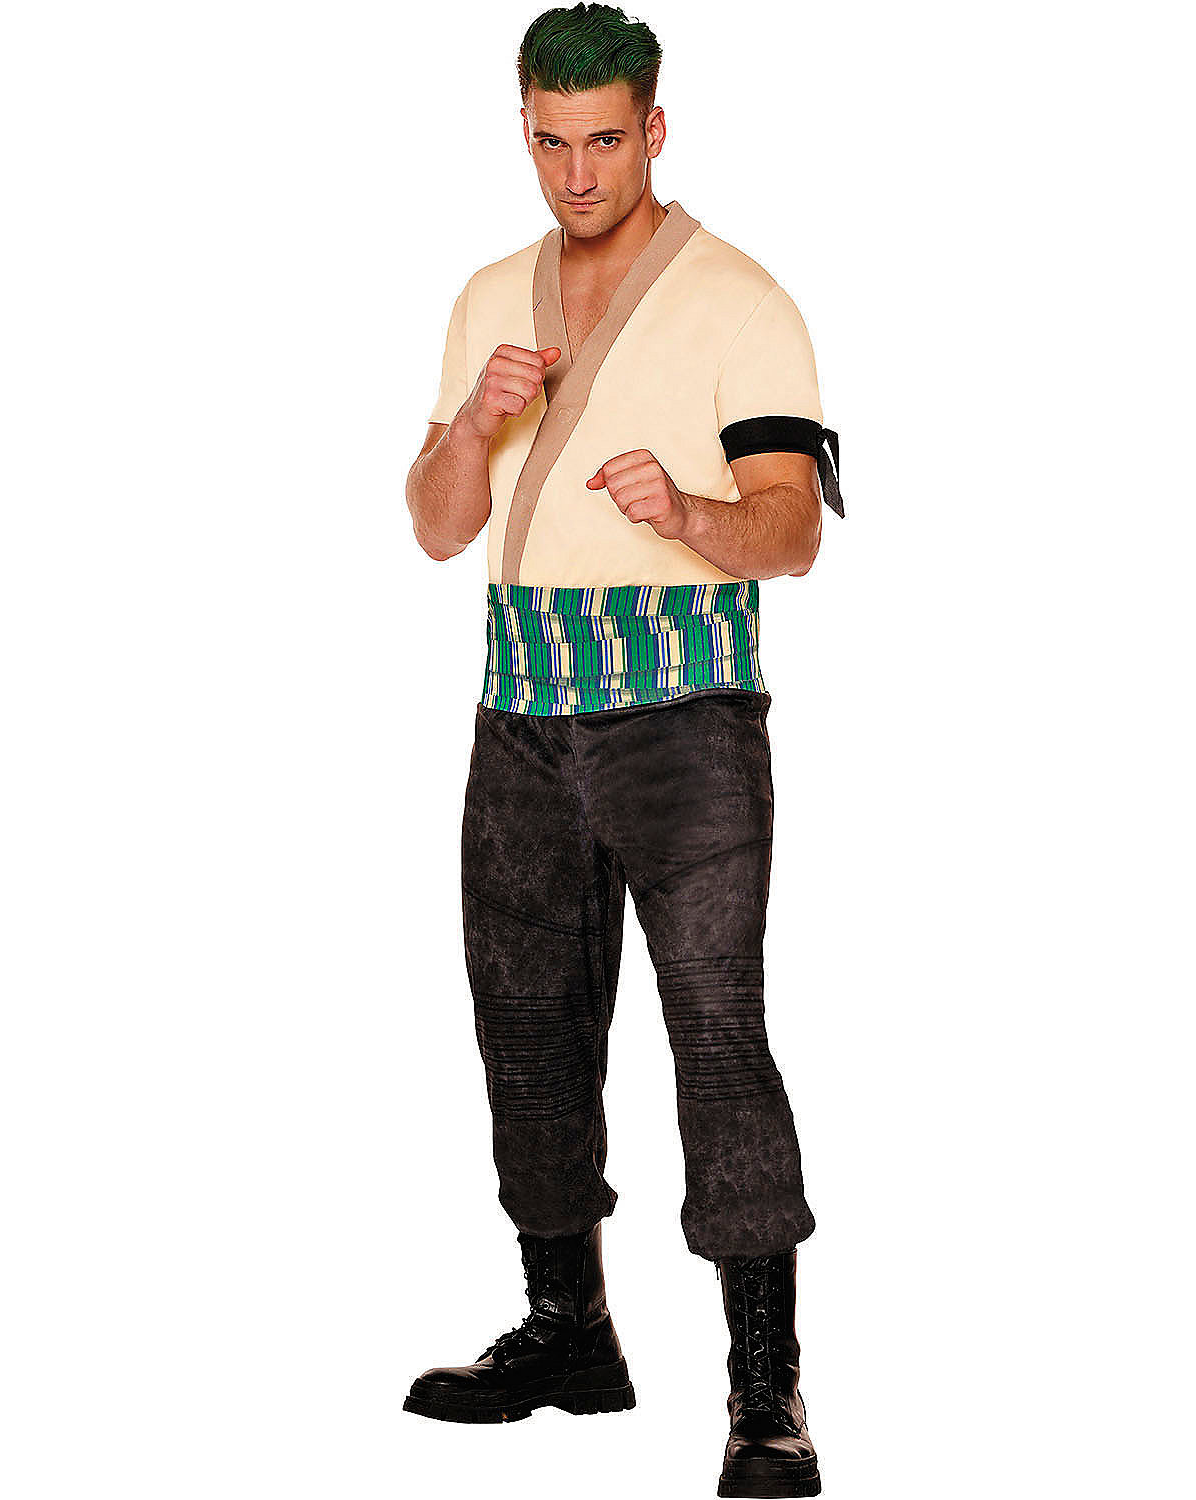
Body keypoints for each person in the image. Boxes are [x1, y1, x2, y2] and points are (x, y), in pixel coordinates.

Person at [401, 7, 844, 1496]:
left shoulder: (742, 300)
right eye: (549, 140)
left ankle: (766, 1393)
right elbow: (440, 527)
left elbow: (791, 534)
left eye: (603, 139)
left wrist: (687, 513)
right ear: (522, 128)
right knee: (525, 1029)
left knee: (716, 1038)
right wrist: (472, 421)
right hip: (522, 707)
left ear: (655, 129)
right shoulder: (487, 296)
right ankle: (567, 1331)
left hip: (686, 713)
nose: (575, 172)